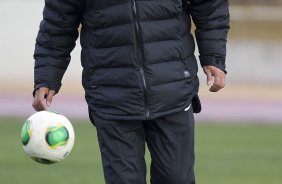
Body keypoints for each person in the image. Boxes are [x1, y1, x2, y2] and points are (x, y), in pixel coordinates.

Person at [32, 0, 229, 183]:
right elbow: (57, 23)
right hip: (111, 95)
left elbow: (210, 6)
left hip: (173, 89)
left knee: (176, 178)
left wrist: (213, 56)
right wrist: (47, 76)